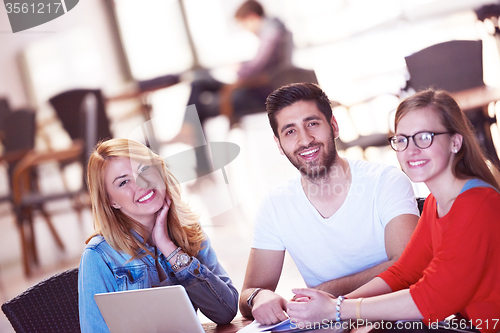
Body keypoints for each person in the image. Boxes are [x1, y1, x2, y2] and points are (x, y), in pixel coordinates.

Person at [287, 89, 500, 333]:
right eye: (402, 140)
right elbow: (404, 273)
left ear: (455, 141)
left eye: (425, 137)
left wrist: (337, 310)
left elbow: (431, 300)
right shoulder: (435, 203)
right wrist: (336, 307)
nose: (411, 150)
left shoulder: (475, 205)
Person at [239, 82, 420, 325]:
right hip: (332, 327)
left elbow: (409, 267)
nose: (305, 140)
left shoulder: (385, 181)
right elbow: (248, 294)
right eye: (290, 131)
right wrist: (259, 297)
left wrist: (325, 292)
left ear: (333, 126)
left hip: (396, 322)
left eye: (312, 123)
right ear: (279, 145)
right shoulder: (275, 205)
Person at [78, 138, 238, 333]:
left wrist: (169, 249)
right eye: (123, 182)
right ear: (111, 202)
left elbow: (225, 311)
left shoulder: (189, 231)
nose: (141, 184)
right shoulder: (99, 256)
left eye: (144, 169)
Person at [180, 0, 293, 176]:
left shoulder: (273, 33)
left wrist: (240, 70)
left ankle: (198, 156)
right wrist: (242, 66)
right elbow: (261, 65)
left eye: (244, 24)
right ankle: (187, 129)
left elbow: (257, 69)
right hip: (251, 85)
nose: (246, 29)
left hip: (258, 92)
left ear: (252, 17)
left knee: (200, 107)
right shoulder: (273, 31)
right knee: (199, 82)